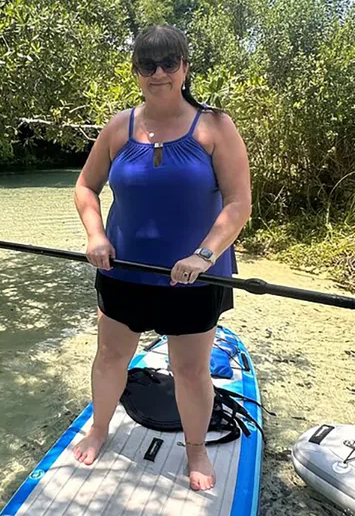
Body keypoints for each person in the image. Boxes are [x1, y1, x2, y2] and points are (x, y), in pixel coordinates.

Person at [72, 24, 252, 492]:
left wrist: (205, 254)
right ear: (136, 72)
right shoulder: (118, 127)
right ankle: (98, 429)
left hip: (195, 278)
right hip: (123, 271)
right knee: (110, 356)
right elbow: (86, 187)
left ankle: (195, 450)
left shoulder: (215, 126)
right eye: (148, 64)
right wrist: (95, 235)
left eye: (169, 63)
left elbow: (238, 204)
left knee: (190, 371)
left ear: (184, 68)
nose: (159, 72)